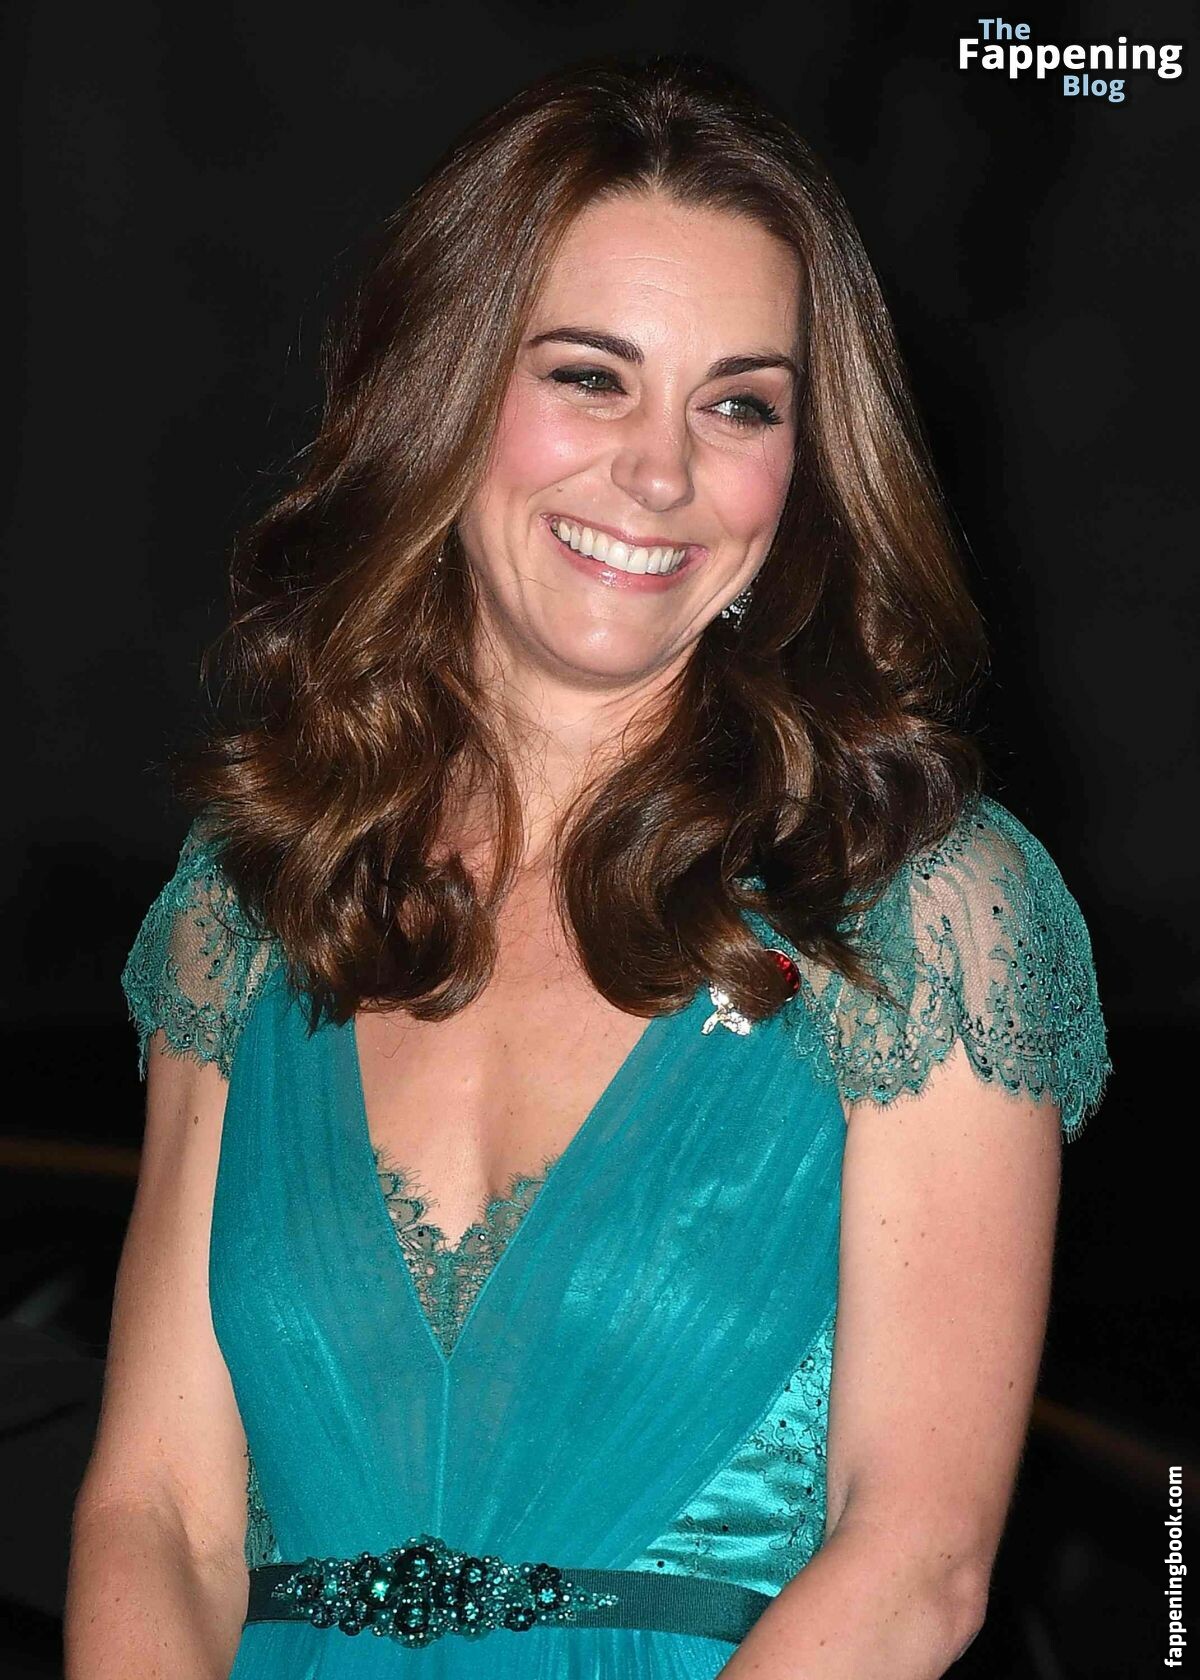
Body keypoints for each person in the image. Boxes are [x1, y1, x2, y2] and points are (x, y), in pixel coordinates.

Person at [64, 54, 1112, 1680]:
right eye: (591, 377)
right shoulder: (254, 901)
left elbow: (919, 1560)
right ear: (442, 393)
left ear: (805, 466)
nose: (660, 471)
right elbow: (158, 1515)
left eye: (740, 405)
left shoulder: (928, 909)